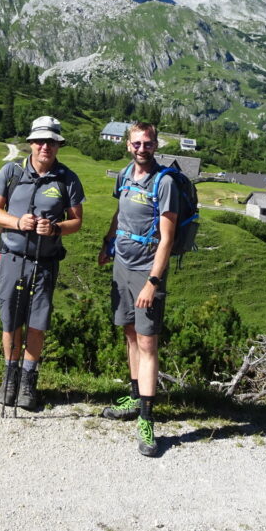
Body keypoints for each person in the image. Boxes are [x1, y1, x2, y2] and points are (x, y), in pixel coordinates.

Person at [0, 115, 84, 411]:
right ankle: (10, 374)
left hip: (45, 262)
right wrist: (17, 222)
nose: (45, 146)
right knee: (11, 319)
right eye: (40, 141)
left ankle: (28, 379)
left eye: (52, 142)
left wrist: (54, 229)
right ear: (30, 143)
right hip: (13, 257)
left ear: (58, 145)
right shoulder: (10, 171)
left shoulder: (68, 178)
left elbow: (77, 221)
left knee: (37, 323)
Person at [97, 122, 178, 456]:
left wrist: (153, 282)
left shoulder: (166, 182)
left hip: (147, 271)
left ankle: (147, 422)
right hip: (122, 265)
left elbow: (168, 238)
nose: (141, 148)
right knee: (129, 333)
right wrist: (106, 242)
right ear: (127, 145)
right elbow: (120, 213)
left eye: (147, 143)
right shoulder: (124, 176)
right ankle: (133, 398)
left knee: (147, 342)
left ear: (156, 145)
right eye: (136, 143)